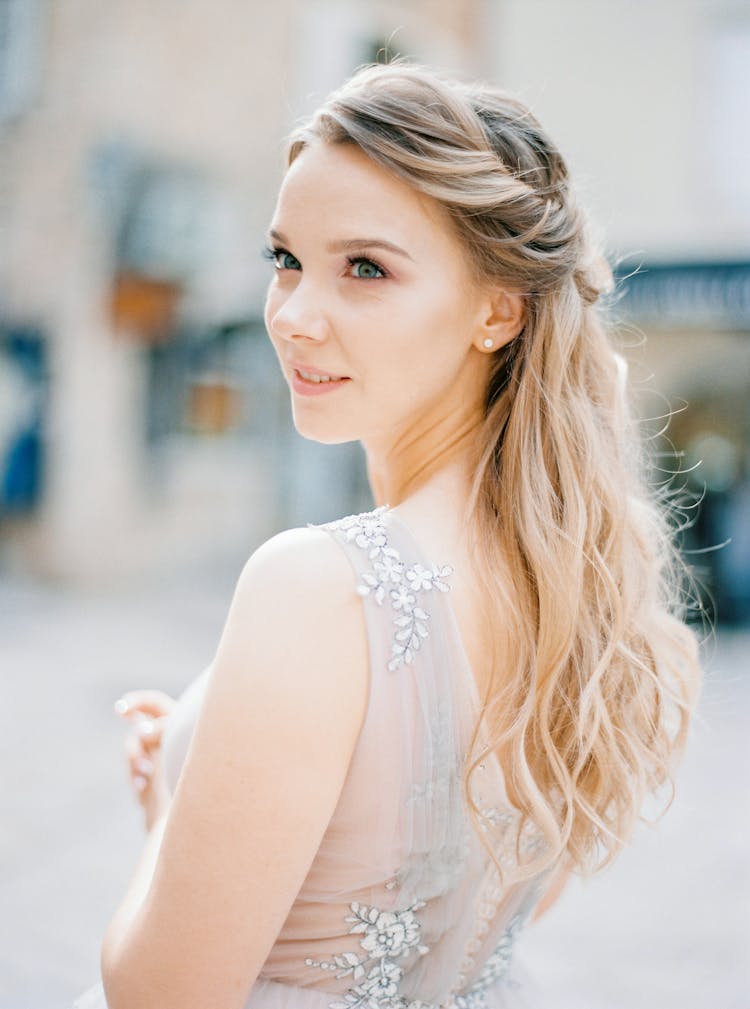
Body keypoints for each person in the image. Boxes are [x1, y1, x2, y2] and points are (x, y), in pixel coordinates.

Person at [72, 61, 703, 1009]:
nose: (293, 315)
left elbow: (160, 993)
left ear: (499, 309)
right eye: (284, 258)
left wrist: (173, 808)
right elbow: (496, 908)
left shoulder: (318, 586)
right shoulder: (572, 591)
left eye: (365, 268)